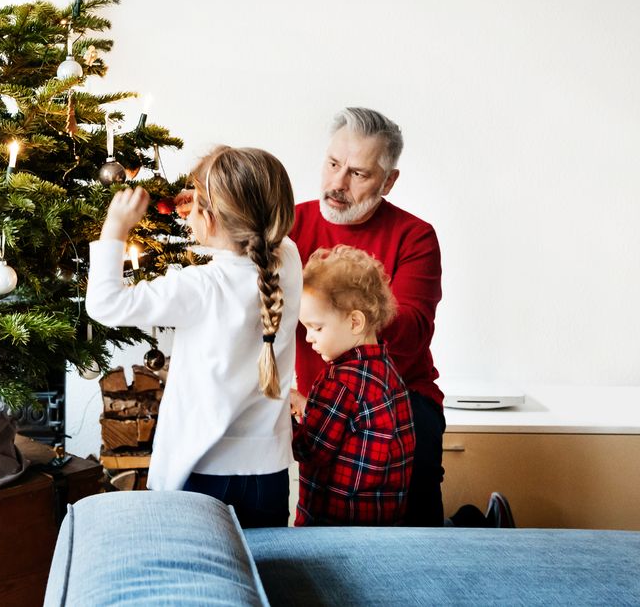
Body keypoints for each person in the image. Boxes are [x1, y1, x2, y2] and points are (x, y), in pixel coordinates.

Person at [86, 146, 302, 527]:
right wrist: (209, 201)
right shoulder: (288, 260)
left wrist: (115, 228)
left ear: (212, 218)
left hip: (201, 473)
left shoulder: (201, 287)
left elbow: (105, 304)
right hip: (268, 471)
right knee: (265, 570)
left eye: (197, 201)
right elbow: (251, 220)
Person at [289, 107, 445, 526]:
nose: (337, 184)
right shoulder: (287, 226)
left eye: (358, 174)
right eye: (333, 164)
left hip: (400, 395)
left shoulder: (416, 236)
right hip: (318, 396)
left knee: (413, 495)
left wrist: (345, 302)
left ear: (389, 181)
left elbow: (410, 335)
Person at [292, 245, 415, 526]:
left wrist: (278, 417)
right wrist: (307, 406)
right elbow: (349, 424)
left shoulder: (338, 383)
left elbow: (309, 449)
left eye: (317, 327)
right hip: (382, 518)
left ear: (355, 321)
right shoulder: (386, 370)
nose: (309, 338)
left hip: (336, 523)